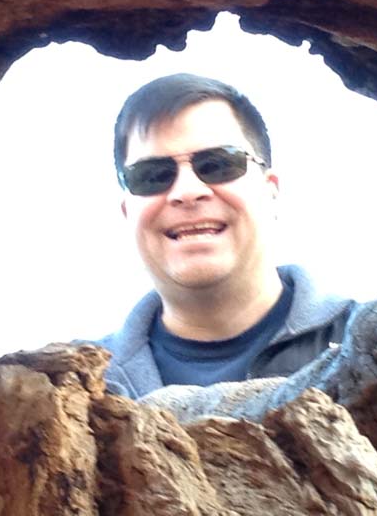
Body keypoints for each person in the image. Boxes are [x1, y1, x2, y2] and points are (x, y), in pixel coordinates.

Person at [97, 73, 354, 399]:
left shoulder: (376, 349)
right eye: (152, 176)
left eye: (218, 164)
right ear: (127, 211)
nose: (187, 191)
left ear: (270, 191)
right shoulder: (74, 391)